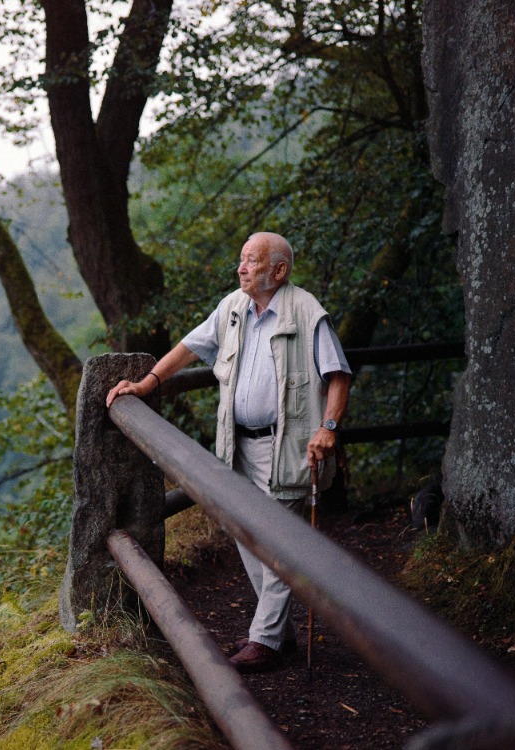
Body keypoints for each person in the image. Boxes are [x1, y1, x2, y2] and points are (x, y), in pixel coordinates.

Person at [105, 231, 351, 673]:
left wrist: (328, 427)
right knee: (245, 533)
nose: (241, 268)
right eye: (241, 259)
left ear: (279, 271)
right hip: (238, 444)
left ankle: (265, 640)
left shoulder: (305, 311)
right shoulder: (232, 308)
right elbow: (189, 347)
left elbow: (339, 375)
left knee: (278, 540)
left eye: (252, 261)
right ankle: (279, 633)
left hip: (286, 446)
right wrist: (146, 384)